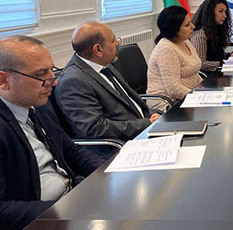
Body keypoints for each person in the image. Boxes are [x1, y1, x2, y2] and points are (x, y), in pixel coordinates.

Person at [0, 36, 104, 230]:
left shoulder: (37, 105)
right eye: (41, 74)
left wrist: (108, 173)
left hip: (72, 198)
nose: (54, 82)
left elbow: (71, 150)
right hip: (44, 218)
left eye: (51, 70)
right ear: (3, 80)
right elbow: (3, 210)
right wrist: (65, 210)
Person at [54, 22, 161, 143]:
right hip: (121, 143)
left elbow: (130, 100)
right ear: (98, 49)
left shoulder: (103, 63)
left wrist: (155, 115)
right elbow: (95, 128)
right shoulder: (73, 81)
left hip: (144, 128)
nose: (118, 43)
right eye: (113, 40)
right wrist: (146, 124)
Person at [147, 6, 202, 109]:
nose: (193, 26)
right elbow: (174, 89)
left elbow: (194, 74)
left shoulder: (185, 41)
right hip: (167, 102)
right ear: (174, 29)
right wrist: (199, 97)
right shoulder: (166, 49)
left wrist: (206, 89)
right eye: (187, 25)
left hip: (188, 97)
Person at [191, 0, 233, 71]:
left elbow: (216, 55)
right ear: (210, 13)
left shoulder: (215, 30)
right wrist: (224, 62)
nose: (225, 16)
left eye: (225, 12)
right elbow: (200, 64)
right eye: (220, 11)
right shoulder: (200, 34)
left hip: (218, 71)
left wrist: (230, 54)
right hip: (207, 76)